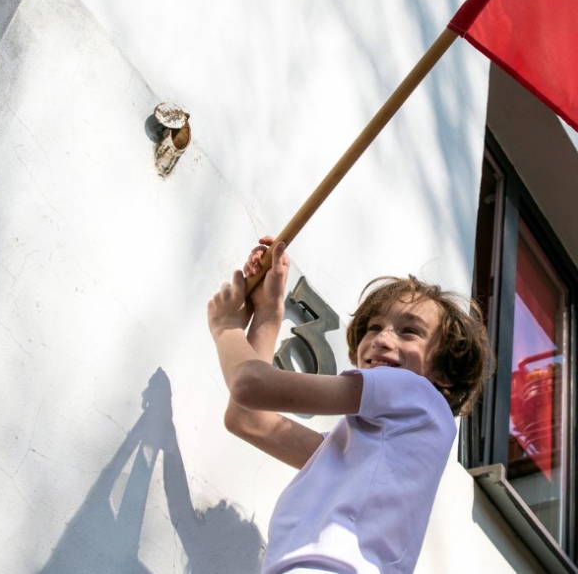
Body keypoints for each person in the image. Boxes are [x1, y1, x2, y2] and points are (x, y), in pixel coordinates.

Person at [206, 236, 494, 574]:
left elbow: (248, 385)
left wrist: (227, 327)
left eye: (409, 332)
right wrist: (268, 314)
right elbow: (247, 419)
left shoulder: (416, 393)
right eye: (375, 327)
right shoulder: (362, 450)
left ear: (444, 373)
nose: (382, 339)